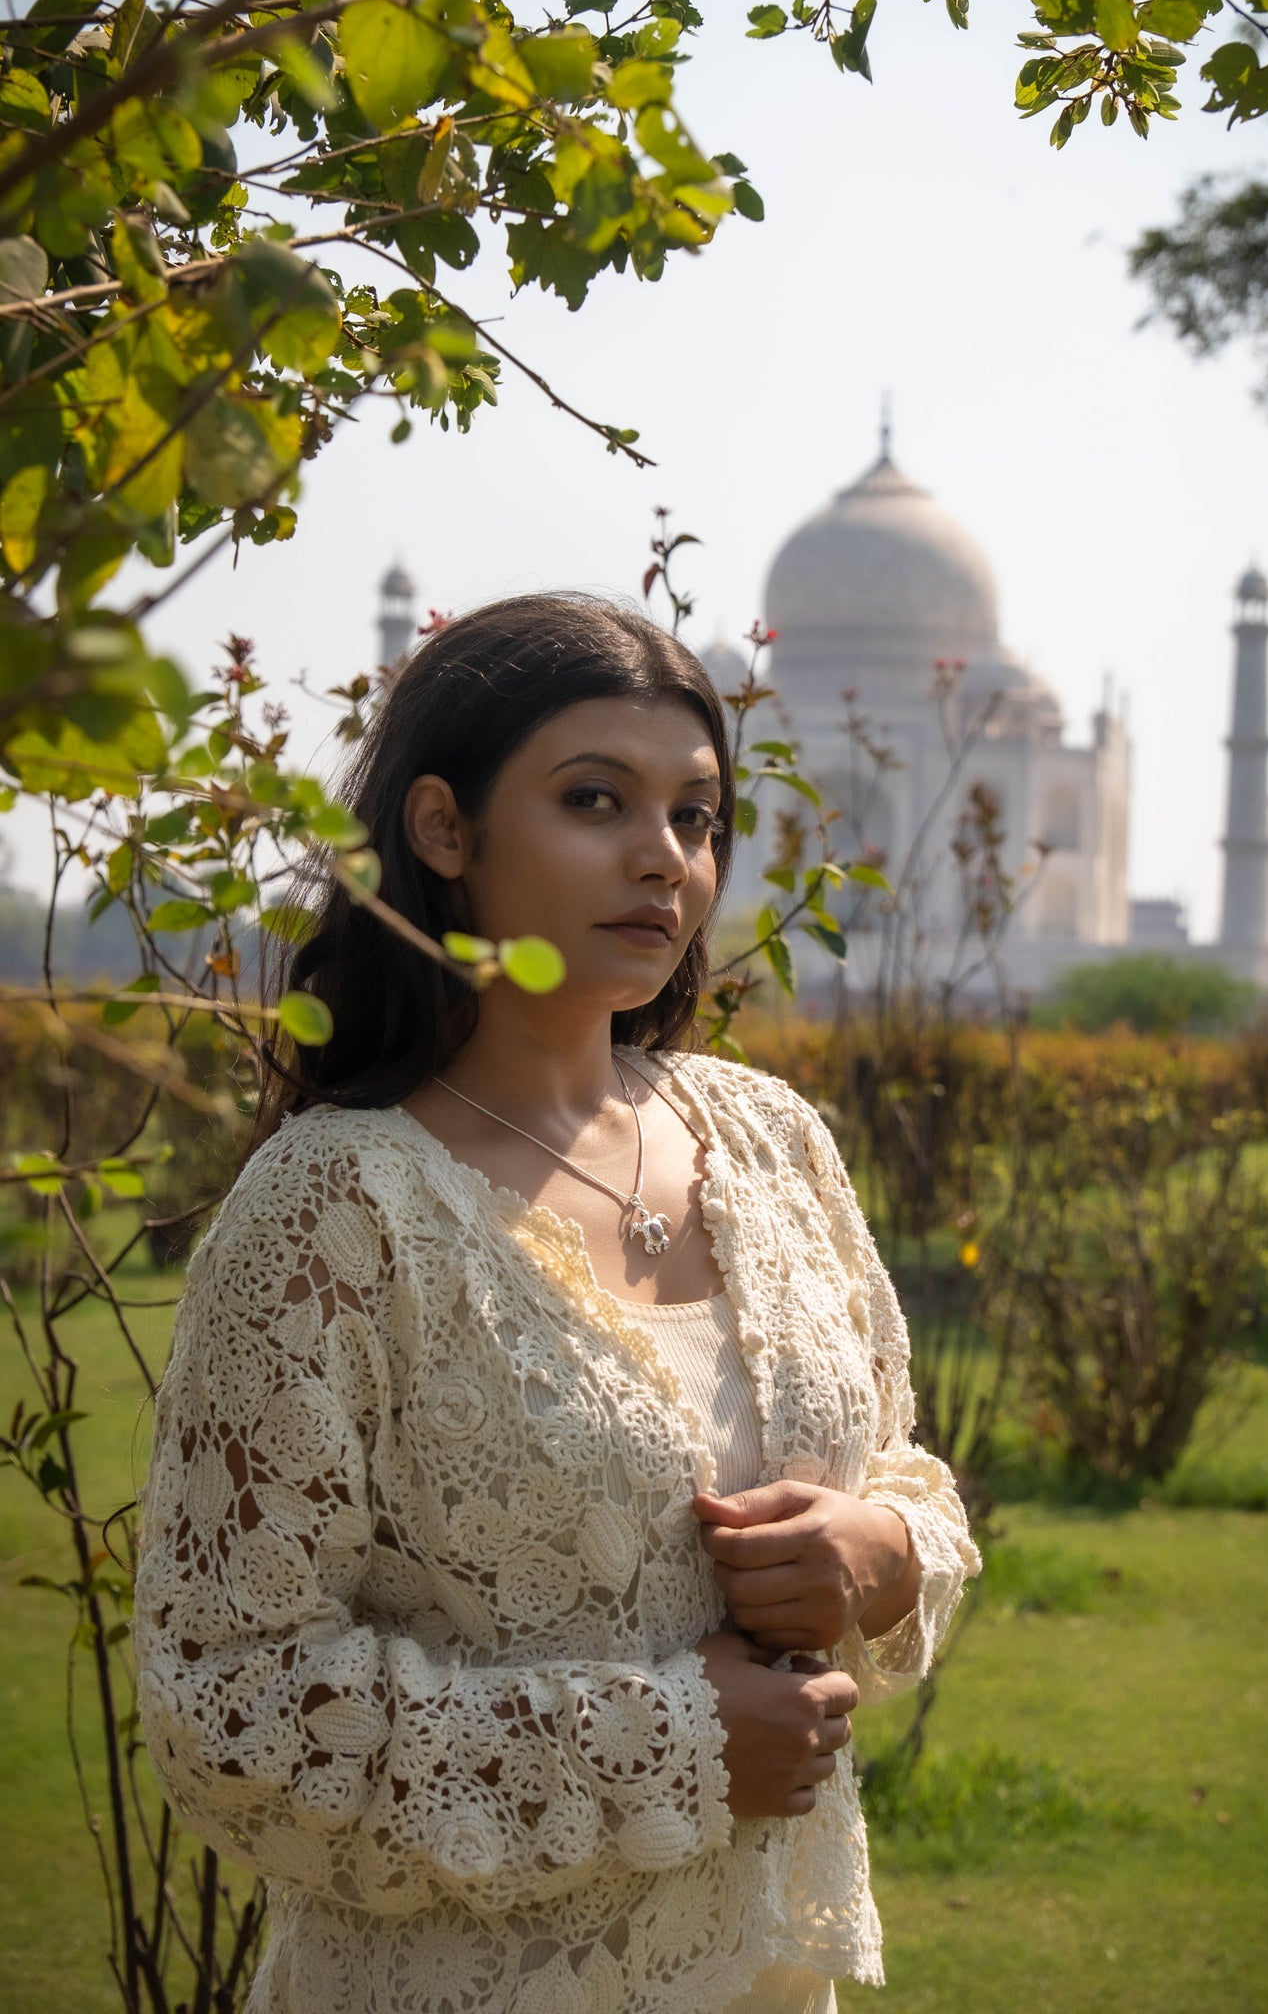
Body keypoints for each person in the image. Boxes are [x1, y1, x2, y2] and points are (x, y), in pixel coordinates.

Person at [133, 594, 981, 2014]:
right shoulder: (338, 1210)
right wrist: (671, 1745)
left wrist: (881, 1552)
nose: (664, 859)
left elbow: (903, 1472)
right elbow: (228, 1702)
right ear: (442, 830)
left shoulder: (765, 1142)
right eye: (596, 800)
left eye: (696, 818)